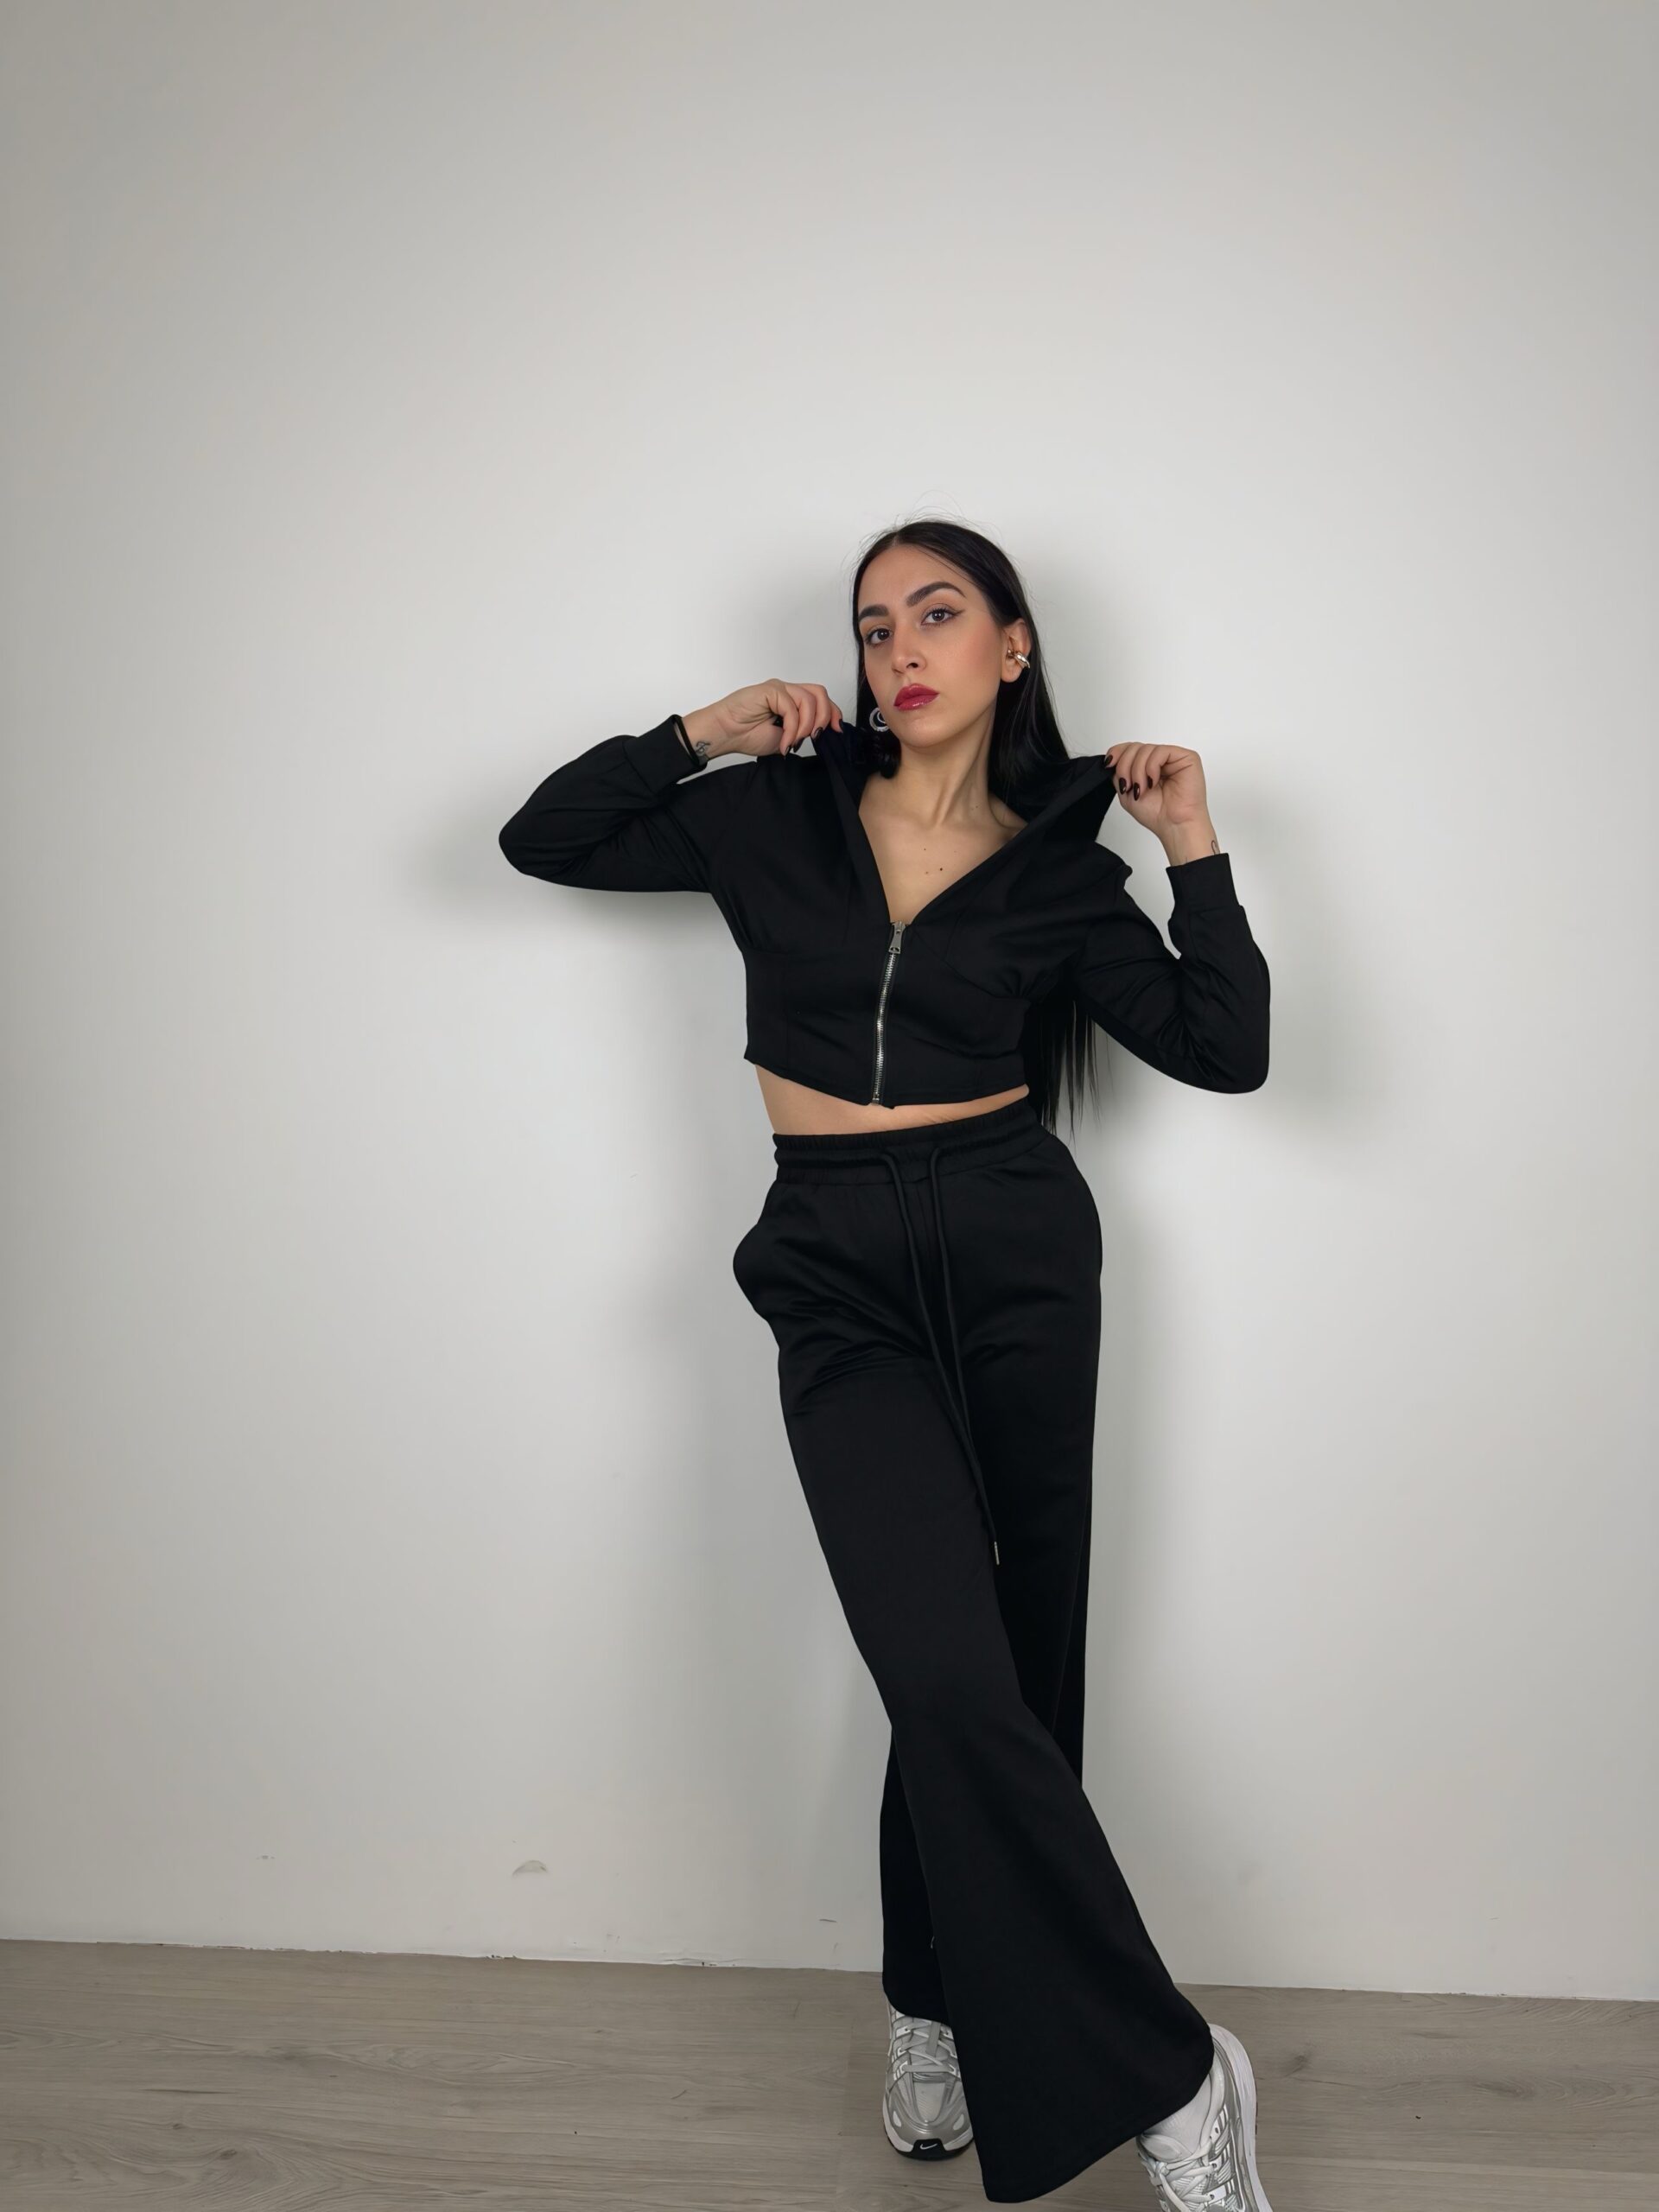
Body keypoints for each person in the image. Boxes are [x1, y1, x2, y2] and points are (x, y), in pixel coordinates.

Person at [498, 518, 1275, 2210]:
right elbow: (543, 836)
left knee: (1015, 1676)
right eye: (873, 626)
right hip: (834, 1264)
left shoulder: (1062, 870)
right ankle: (1170, 2070)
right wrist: (702, 730)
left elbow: (1227, 1048)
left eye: (937, 613)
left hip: (1013, 1255)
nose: (900, 648)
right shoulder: (775, 813)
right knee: (940, 1669)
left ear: (1012, 644)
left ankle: (938, 1998)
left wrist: (1192, 847)